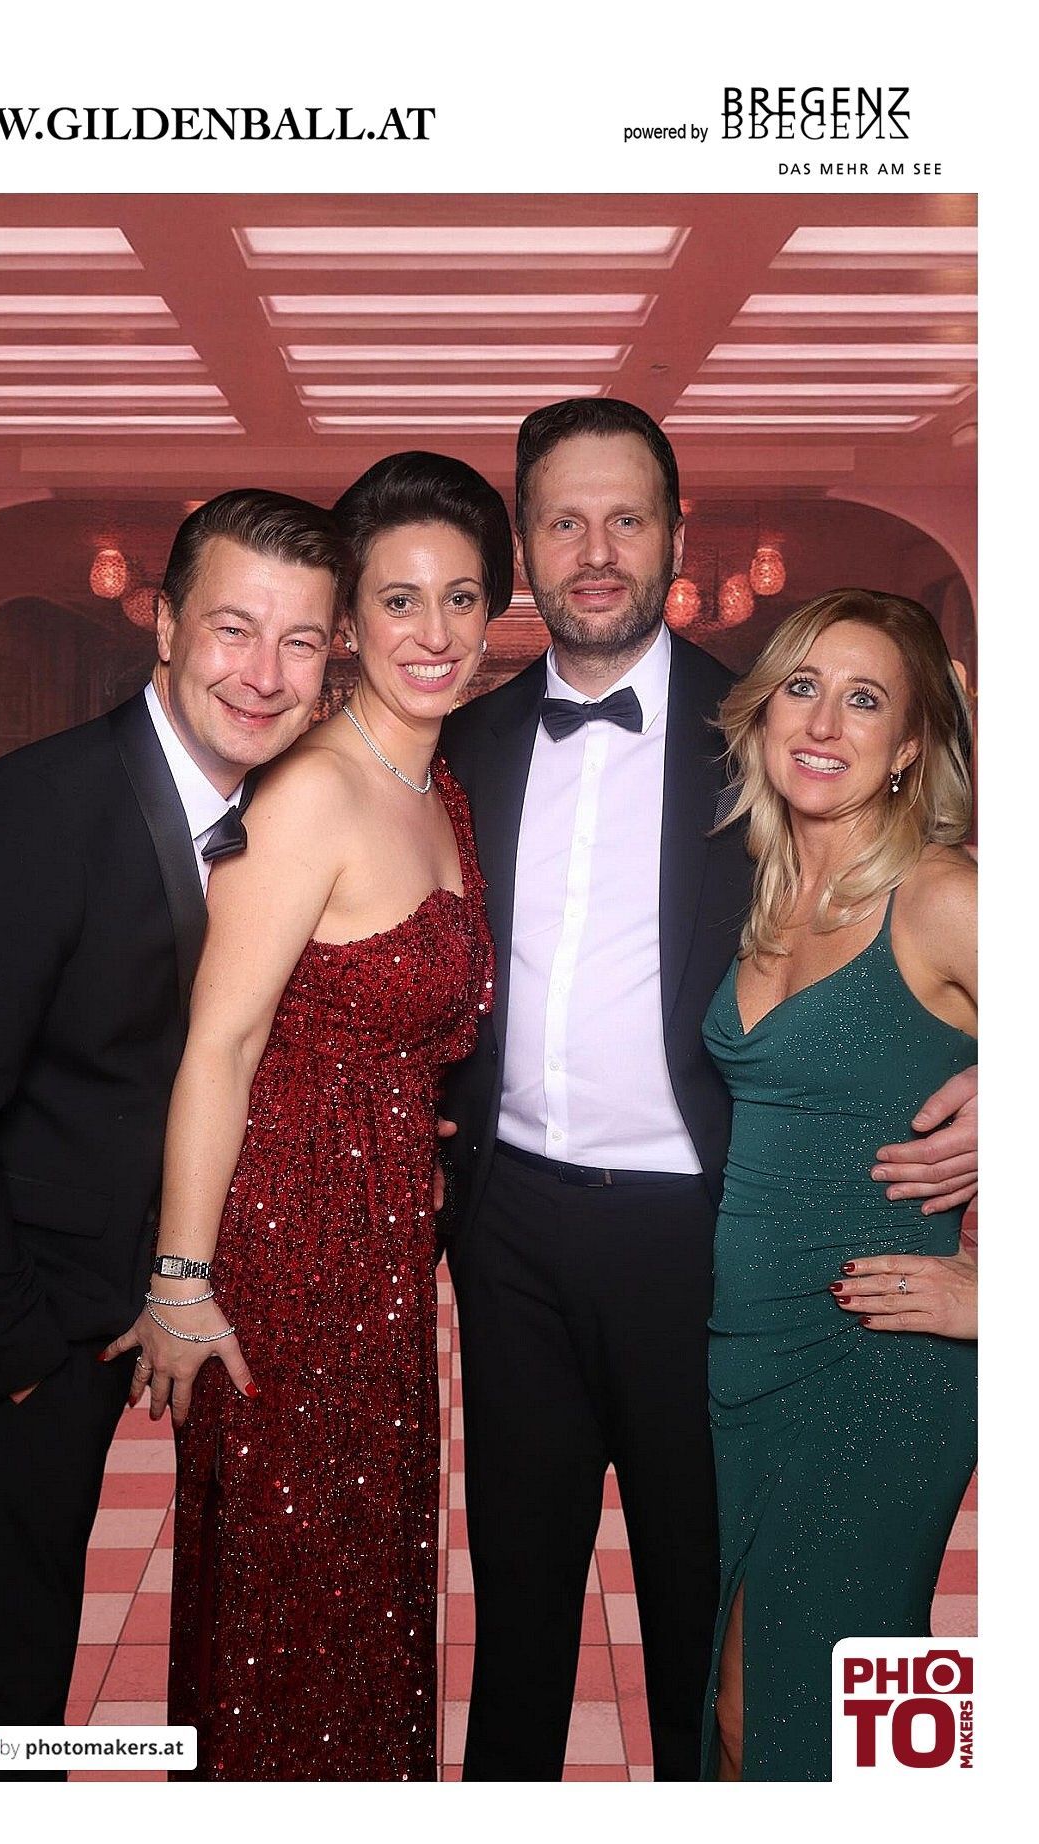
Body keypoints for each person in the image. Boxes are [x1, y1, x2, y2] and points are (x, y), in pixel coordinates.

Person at [437, 397, 979, 1781]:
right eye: (564, 520)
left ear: (677, 537)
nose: (596, 551)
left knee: (721, 1632)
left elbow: (912, 933)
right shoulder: (464, 747)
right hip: (511, 1234)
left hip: (717, 1239)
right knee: (518, 1615)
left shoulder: (763, 734)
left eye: (627, 518)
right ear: (523, 545)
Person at [0, 489, 349, 1778]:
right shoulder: (34, 809)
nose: (263, 672)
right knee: (5, 1670)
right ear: (167, 624)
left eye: (300, 640)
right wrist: (20, 1350)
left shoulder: (289, 812)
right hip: (10, 1304)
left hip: (153, 1284)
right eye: (234, 627)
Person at [100, 452, 509, 1780]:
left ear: (494, 613)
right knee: (289, 1603)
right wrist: (180, 1279)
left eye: (460, 598)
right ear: (349, 627)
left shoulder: (437, 789)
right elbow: (219, 1046)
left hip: (382, 1258)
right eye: (398, 600)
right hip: (288, 1249)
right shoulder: (315, 792)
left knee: (362, 1590)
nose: (432, 632)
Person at [701, 590, 977, 1782]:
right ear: (763, 712)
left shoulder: (944, 894)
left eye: (863, 699)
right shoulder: (757, 886)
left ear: (908, 743)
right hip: (741, 1355)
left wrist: (996, 1295)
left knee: (791, 1705)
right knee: (746, 1703)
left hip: (880, 1362)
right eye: (801, 687)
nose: (821, 722)